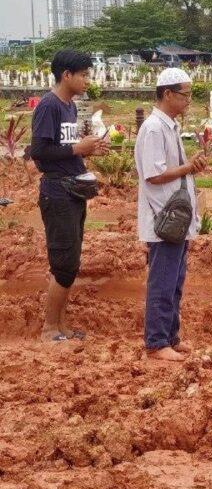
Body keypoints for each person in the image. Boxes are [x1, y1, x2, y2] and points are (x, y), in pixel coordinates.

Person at [30, 49, 109, 343]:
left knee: (71, 261)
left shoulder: (70, 107)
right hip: (56, 192)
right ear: (67, 75)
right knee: (63, 263)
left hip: (71, 190)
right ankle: (49, 328)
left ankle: (61, 326)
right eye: (84, 75)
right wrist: (78, 149)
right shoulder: (49, 106)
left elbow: (65, 147)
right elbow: (38, 152)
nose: (88, 80)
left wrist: (88, 148)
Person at [134, 68, 207, 362]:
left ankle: (170, 336)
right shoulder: (153, 128)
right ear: (167, 94)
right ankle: (156, 342)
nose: (188, 100)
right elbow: (154, 175)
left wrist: (189, 166)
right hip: (163, 219)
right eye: (184, 94)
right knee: (162, 281)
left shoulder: (168, 126)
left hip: (175, 220)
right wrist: (188, 168)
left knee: (174, 281)